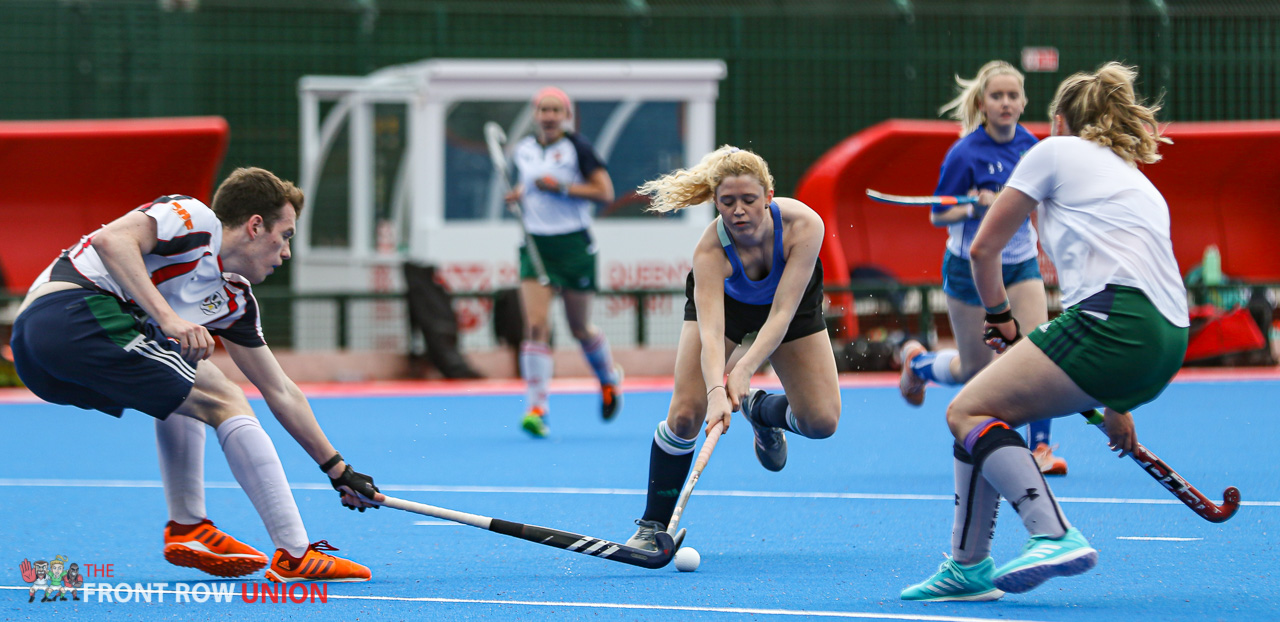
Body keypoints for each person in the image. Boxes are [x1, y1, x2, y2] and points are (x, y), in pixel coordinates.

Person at [10, 167, 383, 583]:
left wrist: (338, 470)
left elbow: (280, 390)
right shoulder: (193, 218)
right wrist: (168, 318)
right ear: (256, 226)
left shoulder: (233, 298)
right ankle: (295, 553)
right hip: (66, 317)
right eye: (287, 235)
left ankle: (188, 526)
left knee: (187, 376)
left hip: (51, 357)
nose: (287, 253)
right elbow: (110, 239)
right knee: (224, 397)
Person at [900, 62, 1187, 601]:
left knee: (965, 411)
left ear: (1058, 121)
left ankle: (1051, 533)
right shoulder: (1135, 178)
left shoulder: (1051, 151)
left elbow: (985, 249)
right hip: (1169, 338)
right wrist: (1116, 402)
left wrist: (1000, 317)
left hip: (1113, 322)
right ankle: (967, 567)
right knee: (984, 409)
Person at [622, 146, 842, 550]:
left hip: (788, 306)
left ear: (769, 197)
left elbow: (781, 315)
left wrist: (742, 373)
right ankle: (653, 525)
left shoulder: (804, 226)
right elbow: (711, 335)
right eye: (727, 202)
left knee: (821, 422)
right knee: (687, 413)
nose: (738, 210)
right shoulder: (710, 252)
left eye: (748, 200)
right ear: (715, 202)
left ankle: (762, 411)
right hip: (730, 306)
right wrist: (715, 392)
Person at [898, 60, 1068, 476]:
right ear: (983, 103)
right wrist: (973, 205)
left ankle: (1041, 448)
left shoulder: (1033, 147)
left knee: (1036, 351)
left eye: (1013, 96)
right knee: (975, 370)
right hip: (969, 268)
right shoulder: (964, 153)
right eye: (997, 96)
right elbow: (939, 216)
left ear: (1024, 102)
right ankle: (919, 364)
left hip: (1019, 264)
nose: (1006, 103)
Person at [504, 86, 622, 438]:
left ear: (566, 115)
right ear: (535, 113)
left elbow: (605, 192)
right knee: (537, 326)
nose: (550, 116)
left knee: (579, 329)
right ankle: (536, 408)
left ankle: (608, 380)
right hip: (535, 245)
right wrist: (520, 194)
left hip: (573, 245)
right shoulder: (523, 151)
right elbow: (529, 185)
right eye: (544, 110)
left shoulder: (578, 149)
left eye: (556, 110)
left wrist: (562, 187)